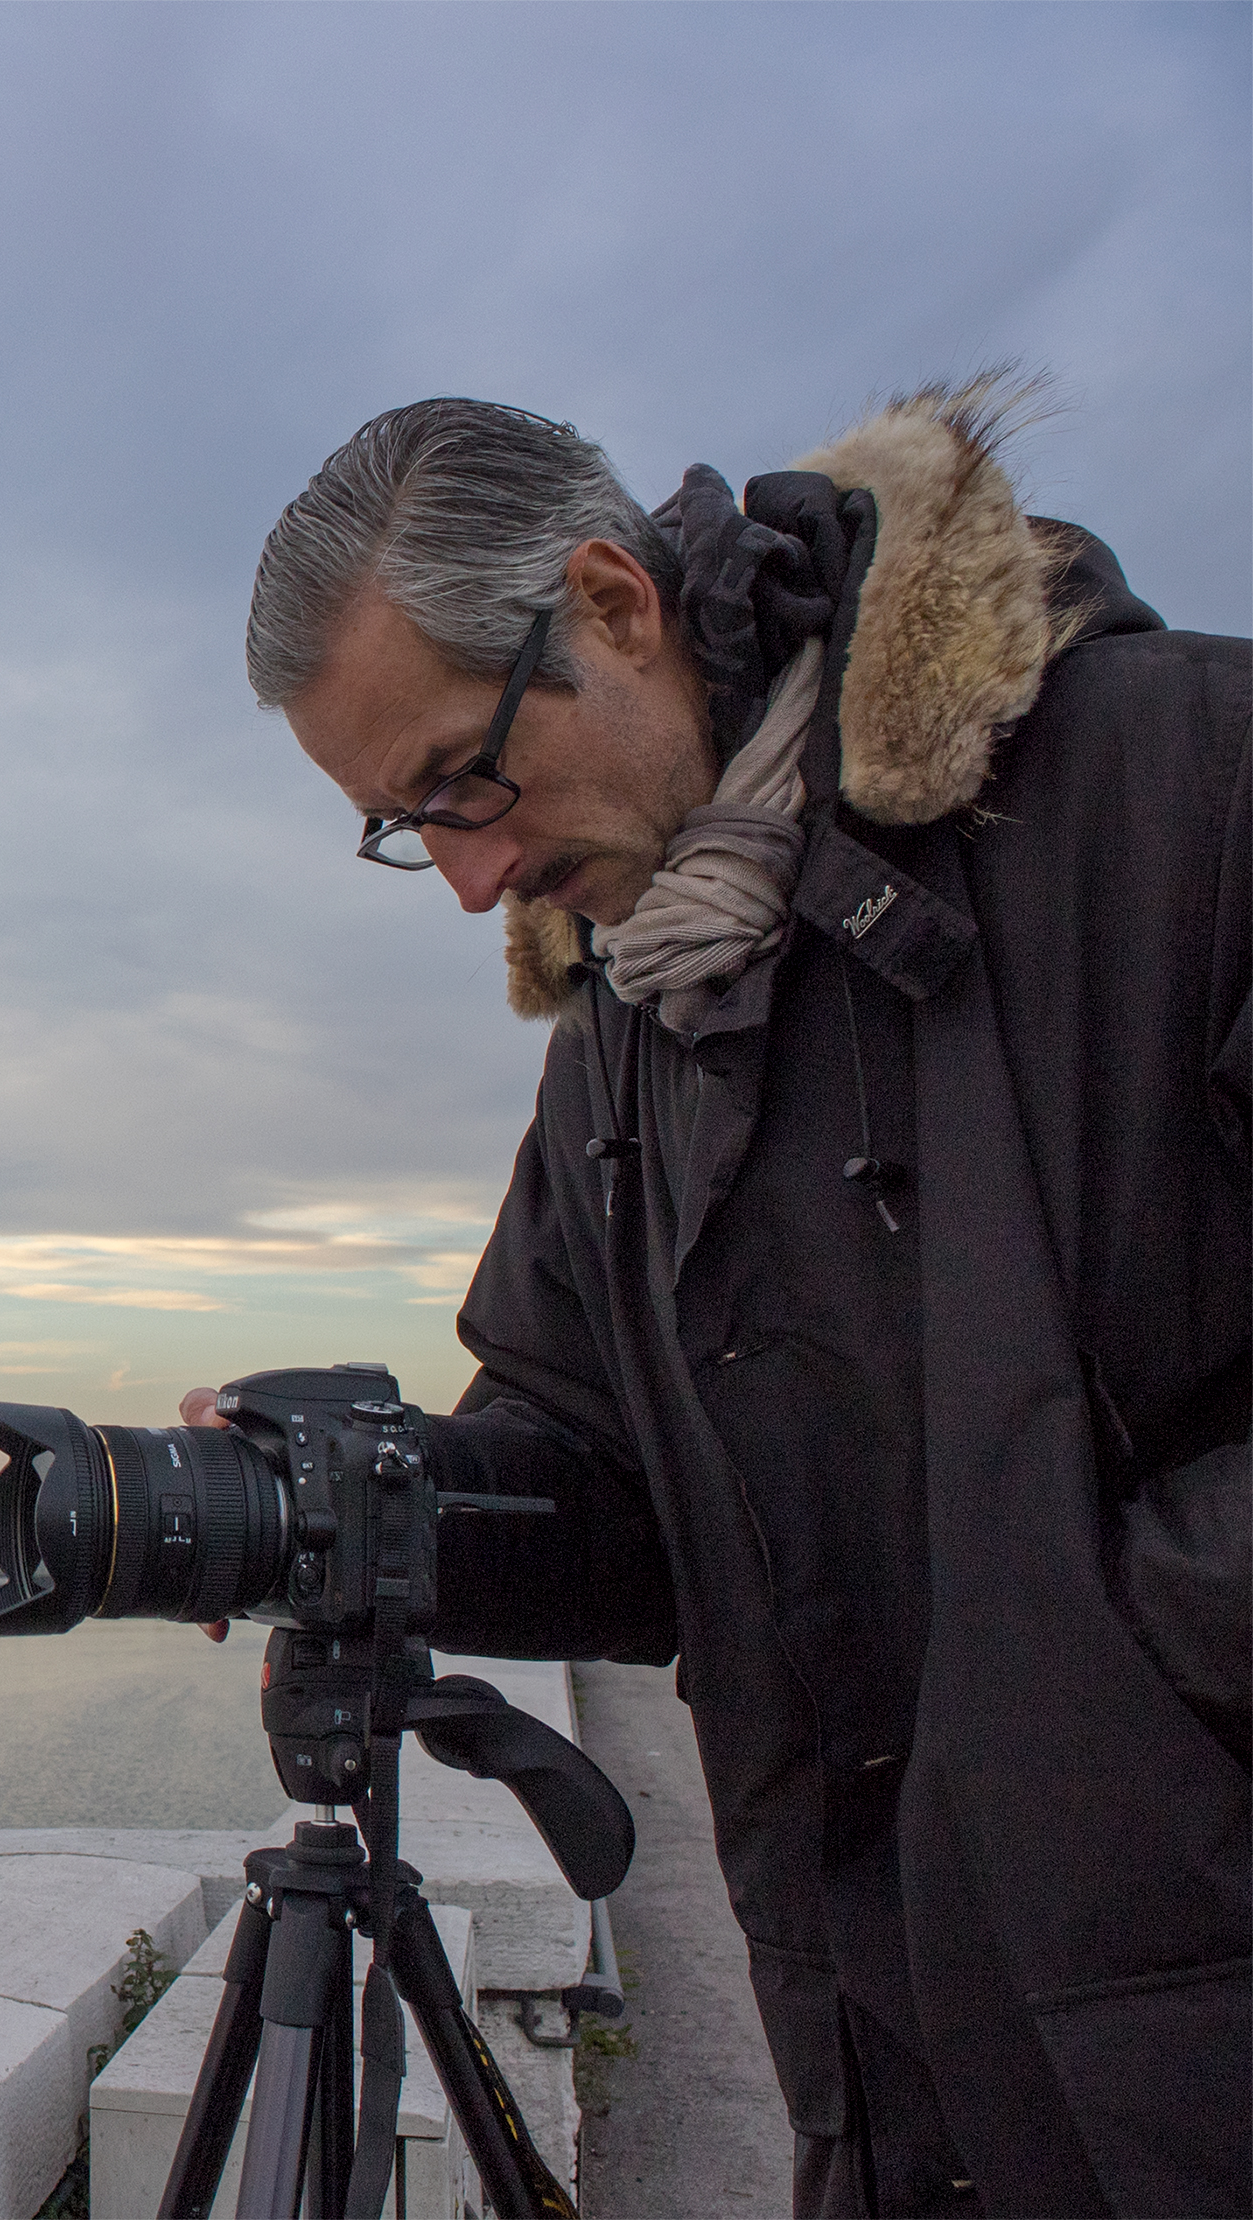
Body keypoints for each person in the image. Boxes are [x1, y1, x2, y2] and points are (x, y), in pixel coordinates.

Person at [226, 379, 1247, 2219]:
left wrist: (1108, 1671)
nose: (472, 880)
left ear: (613, 607)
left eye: (464, 776)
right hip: (892, 2075)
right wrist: (363, 1502)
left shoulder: (1197, 787)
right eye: (404, 827)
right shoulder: (634, 1019)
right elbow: (602, 1481)